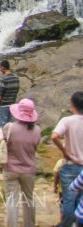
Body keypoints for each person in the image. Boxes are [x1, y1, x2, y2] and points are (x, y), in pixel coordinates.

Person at [2, 98, 41, 227]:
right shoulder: (37, 130)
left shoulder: (10, 127)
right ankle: (29, 224)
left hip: (11, 168)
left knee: (11, 199)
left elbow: (4, 143)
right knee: (29, 198)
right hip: (29, 169)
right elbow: (35, 147)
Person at [52, 91, 83, 226]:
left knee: (69, 200)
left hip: (71, 165)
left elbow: (54, 136)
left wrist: (64, 151)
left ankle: (66, 224)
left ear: (72, 105)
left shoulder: (67, 120)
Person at [0, 60, 20, 128]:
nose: (0, 69)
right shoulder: (16, 79)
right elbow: (16, 90)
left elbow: (1, 94)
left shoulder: (3, 79)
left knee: (3, 126)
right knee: (11, 126)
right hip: (13, 104)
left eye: (0, 68)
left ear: (3, 67)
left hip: (4, 105)